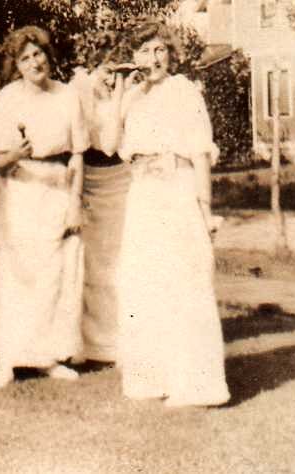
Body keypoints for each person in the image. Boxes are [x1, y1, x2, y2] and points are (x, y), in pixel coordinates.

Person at [114, 19, 230, 407]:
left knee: (183, 281)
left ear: (171, 54)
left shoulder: (183, 90)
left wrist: (205, 209)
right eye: (145, 51)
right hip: (143, 196)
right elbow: (113, 144)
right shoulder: (133, 97)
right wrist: (119, 92)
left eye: (160, 49)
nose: (154, 58)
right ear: (134, 57)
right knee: (145, 282)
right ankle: (153, 378)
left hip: (177, 190)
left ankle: (195, 385)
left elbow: (200, 154)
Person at [0, 26, 89, 391]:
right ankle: (7, 361)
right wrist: (16, 154)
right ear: (16, 65)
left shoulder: (68, 95)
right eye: (25, 57)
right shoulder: (6, 99)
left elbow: (78, 153)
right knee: (13, 277)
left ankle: (48, 358)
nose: (34, 62)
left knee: (52, 278)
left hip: (57, 190)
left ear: (49, 56)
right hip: (18, 194)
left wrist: (74, 202)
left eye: (39, 54)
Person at [69, 38, 133, 365]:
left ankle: (120, 339)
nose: (110, 77)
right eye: (106, 69)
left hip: (121, 180)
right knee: (93, 263)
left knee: (120, 260)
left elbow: (114, 144)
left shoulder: (128, 91)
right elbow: (97, 143)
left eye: (116, 70)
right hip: (92, 180)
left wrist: (121, 88)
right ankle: (93, 342)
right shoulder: (80, 89)